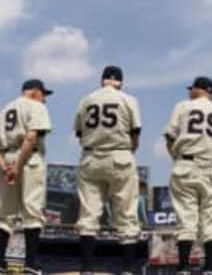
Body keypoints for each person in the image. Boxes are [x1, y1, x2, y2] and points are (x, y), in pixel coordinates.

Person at [164, 76, 212, 275]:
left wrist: (177, 158)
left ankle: (184, 266)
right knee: (211, 219)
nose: (189, 92)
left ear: (200, 89)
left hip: (185, 164)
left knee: (186, 218)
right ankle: (210, 266)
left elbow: (170, 138)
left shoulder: (182, 106)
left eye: (192, 88)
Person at [74, 66, 142, 274]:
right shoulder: (128, 99)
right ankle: (128, 269)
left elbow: (79, 133)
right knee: (127, 213)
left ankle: (87, 269)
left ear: (102, 80)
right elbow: (135, 134)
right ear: (120, 82)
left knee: (88, 215)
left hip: (91, 155)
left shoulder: (87, 100)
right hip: (120, 154)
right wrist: (127, 152)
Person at [0, 79, 53, 275]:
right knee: (32, 212)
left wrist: (5, 167)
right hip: (28, 157)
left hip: (6, 159)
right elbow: (31, 137)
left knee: (5, 214)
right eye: (43, 94)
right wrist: (17, 166)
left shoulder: (5, 108)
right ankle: (30, 264)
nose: (44, 99)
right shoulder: (36, 106)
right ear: (34, 92)